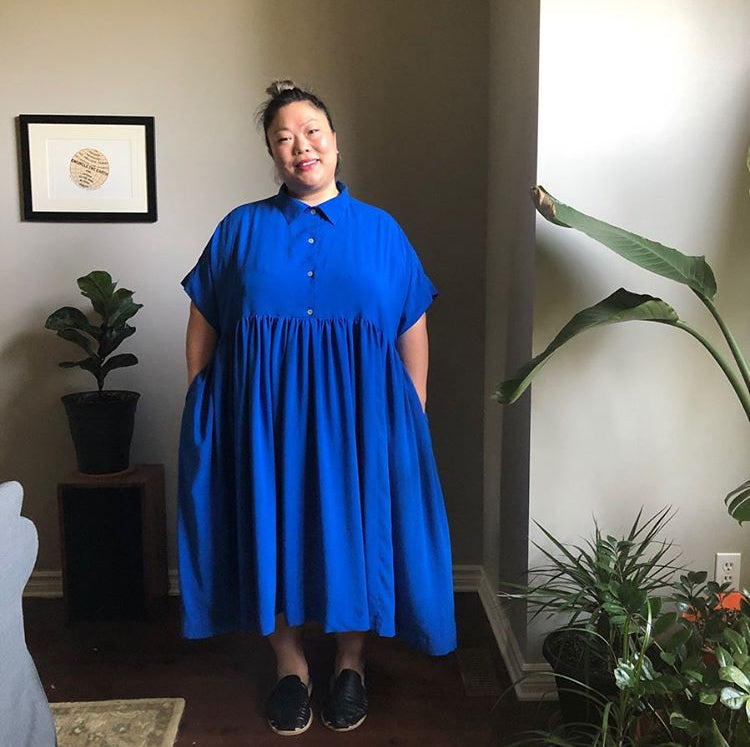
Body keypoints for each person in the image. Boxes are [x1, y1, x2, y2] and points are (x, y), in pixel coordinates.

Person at [177, 79, 457, 736]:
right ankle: (291, 666)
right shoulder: (240, 229)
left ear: (335, 141)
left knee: (353, 538)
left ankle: (350, 663)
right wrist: (211, 408)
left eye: (312, 132)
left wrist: (409, 414)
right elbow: (204, 322)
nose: (301, 146)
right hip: (263, 422)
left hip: (362, 422)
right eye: (284, 138)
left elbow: (411, 328)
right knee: (272, 532)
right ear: (272, 154)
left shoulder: (382, 231)